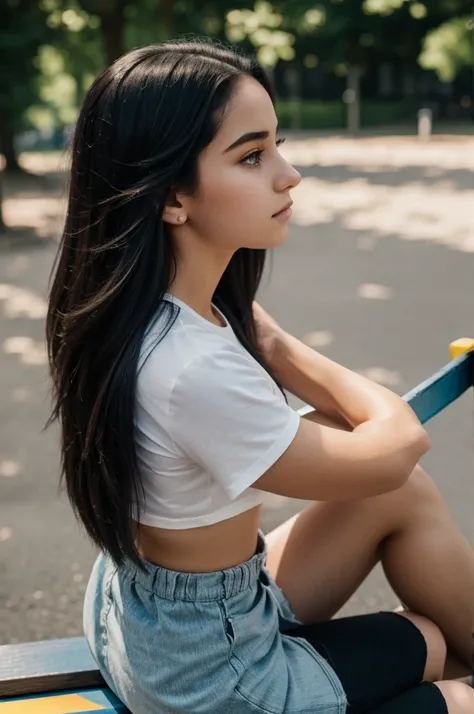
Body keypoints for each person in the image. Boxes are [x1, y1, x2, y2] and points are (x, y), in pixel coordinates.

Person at [45, 39, 474, 714]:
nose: (288, 174)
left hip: (152, 619)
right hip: (215, 681)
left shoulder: (137, 312)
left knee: (421, 605)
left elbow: (383, 475)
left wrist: (262, 337)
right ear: (171, 198)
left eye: (277, 143)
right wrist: (275, 345)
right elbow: (397, 445)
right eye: (251, 156)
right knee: (449, 680)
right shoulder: (193, 365)